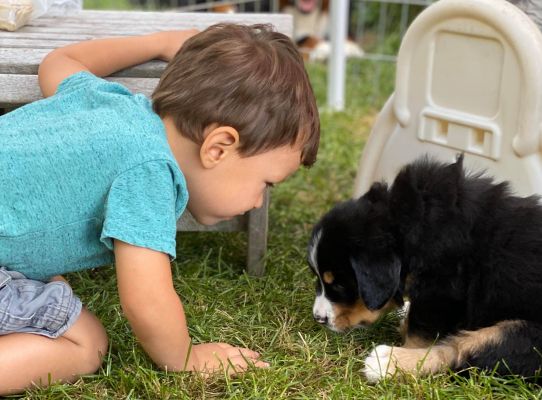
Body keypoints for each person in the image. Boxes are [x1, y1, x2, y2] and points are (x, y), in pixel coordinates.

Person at [0, 23, 320, 394]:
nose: (259, 201)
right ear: (218, 148)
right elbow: (146, 300)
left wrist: (157, 43)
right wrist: (186, 357)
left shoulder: (109, 101)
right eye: (266, 183)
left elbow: (60, 61)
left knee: (50, 280)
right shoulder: (150, 172)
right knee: (85, 344)